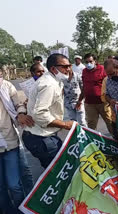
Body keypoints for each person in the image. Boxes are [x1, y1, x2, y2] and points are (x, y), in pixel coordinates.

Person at [22, 54, 74, 168]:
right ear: (53, 69)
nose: (68, 69)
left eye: (69, 66)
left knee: (55, 171)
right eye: (64, 67)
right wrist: (65, 124)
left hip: (42, 135)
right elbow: (40, 114)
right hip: (41, 138)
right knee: (59, 171)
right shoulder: (49, 84)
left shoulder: (54, 80)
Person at [0, 70, 35, 213]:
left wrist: (20, 113)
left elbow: (18, 103)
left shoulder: (6, 86)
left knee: (14, 184)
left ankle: (23, 209)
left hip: (9, 142)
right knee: (1, 187)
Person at [77, 53, 113, 133]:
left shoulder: (102, 69)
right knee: (91, 126)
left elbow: (109, 84)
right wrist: (79, 100)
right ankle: (93, 143)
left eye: (90, 61)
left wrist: (110, 99)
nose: (88, 64)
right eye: (86, 62)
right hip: (89, 103)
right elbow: (84, 87)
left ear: (95, 61)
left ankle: (116, 141)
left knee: (110, 122)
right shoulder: (84, 71)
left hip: (103, 102)